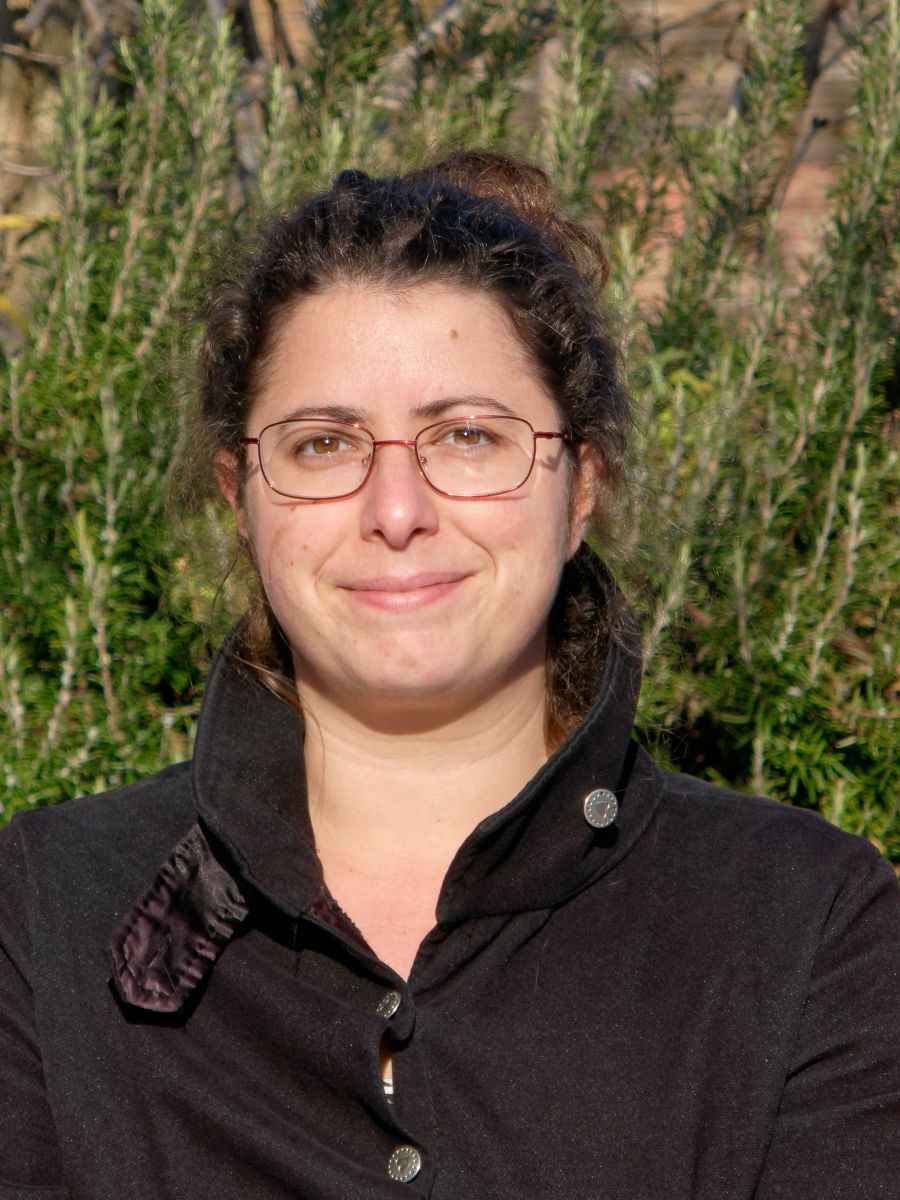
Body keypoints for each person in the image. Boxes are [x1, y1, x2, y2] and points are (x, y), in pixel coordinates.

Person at [1, 150, 898, 1199]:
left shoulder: (805, 929)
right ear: (240, 496)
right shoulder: (43, 914)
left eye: (468, 437)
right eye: (326, 444)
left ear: (582, 486)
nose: (396, 509)